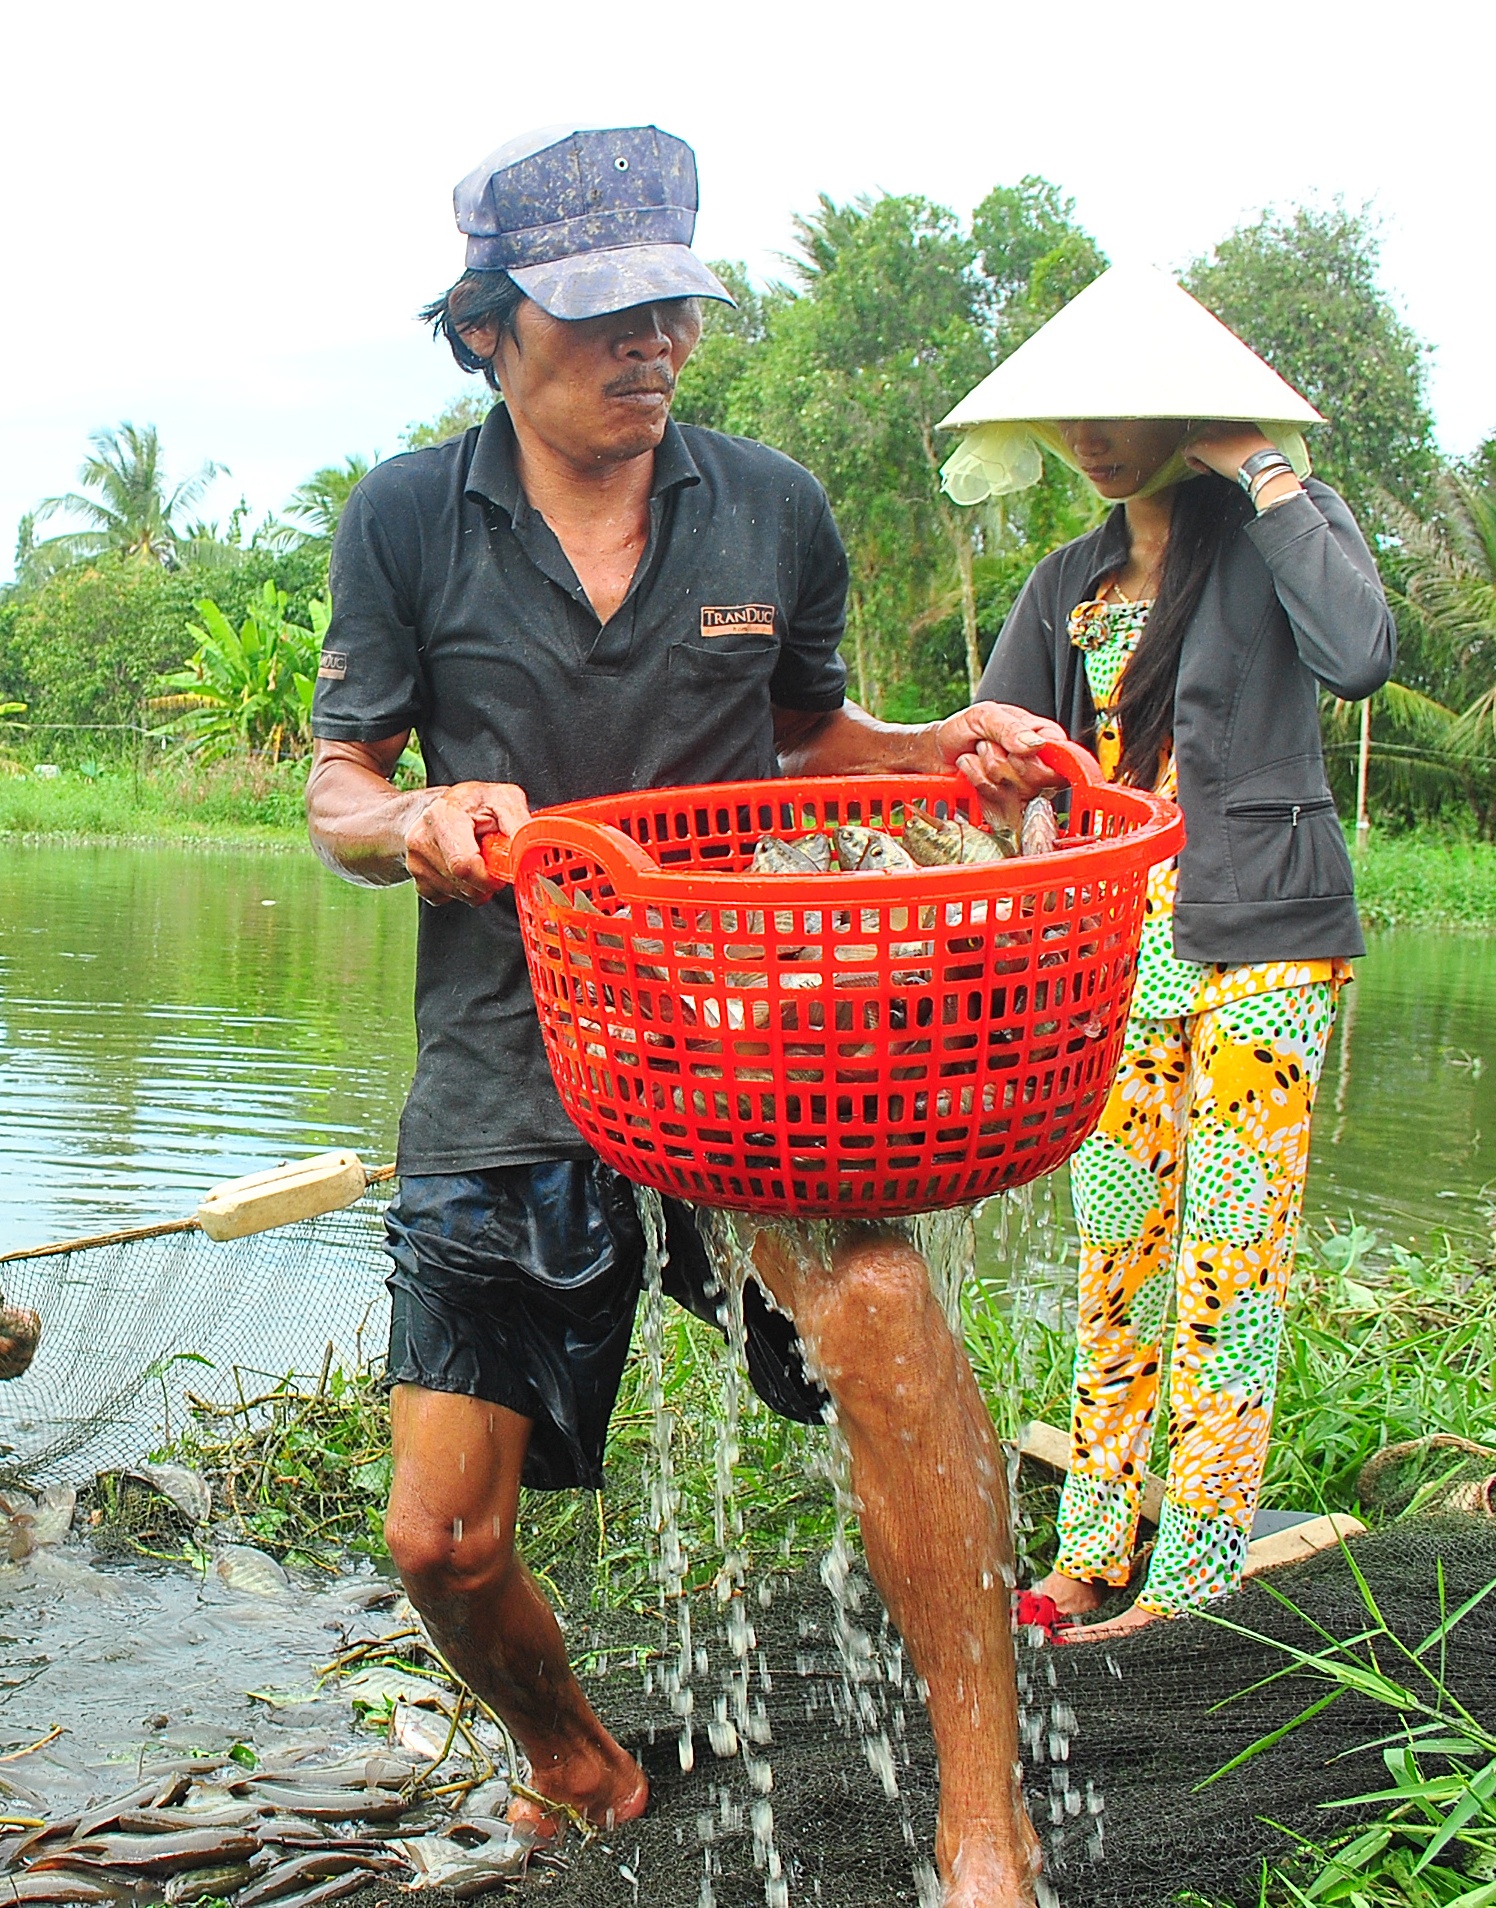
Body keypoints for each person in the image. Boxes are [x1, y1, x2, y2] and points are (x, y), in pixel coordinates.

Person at [307, 124, 1061, 1907]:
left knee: (884, 1315)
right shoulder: (406, 517)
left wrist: (938, 748)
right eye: (604, 313)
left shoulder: (769, 506)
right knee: (441, 1537)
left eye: (674, 308)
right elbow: (340, 784)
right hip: (509, 1051)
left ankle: (985, 1826)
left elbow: (807, 740)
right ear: (487, 328)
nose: (652, 344)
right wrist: (415, 822)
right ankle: (576, 1755)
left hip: (739, 1048)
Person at [939, 264, 1395, 1641]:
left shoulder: (1280, 532)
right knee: (1118, 1252)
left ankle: (1191, 1580)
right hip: (1116, 957)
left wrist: (1263, 470)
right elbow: (996, 764)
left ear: (1194, 410)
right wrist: (990, 800)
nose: (1092, 437)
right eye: (1072, 413)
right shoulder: (1066, 581)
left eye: (1124, 409)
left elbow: (1361, 654)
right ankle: (1094, 1548)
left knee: (1228, 1264)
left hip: (1267, 938)